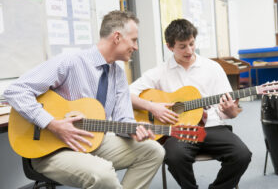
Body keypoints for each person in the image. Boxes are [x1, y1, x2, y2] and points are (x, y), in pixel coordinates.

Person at [4, 10, 165, 189]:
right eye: (134, 40)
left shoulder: (118, 74)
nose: (136, 47)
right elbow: (16, 91)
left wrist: (134, 130)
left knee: (154, 150)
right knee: (103, 174)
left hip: (93, 141)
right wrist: (52, 123)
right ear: (117, 37)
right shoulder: (70, 62)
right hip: (52, 151)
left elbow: (123, 120)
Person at [130, 19, 252, 189]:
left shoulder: (213, 68)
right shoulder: (160, 72)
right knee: (174, 156)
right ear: (170, 47)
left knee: (242, 155)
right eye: (182, 46)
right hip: (180, 130)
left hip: (212, 126)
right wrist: (152, 107)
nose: (189, 50)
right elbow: (127, 94)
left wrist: (231, 110)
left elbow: (229, 114)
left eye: (192, 44)